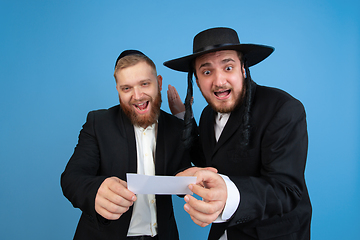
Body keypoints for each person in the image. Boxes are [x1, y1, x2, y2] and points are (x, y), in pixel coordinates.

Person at [164, 27, 312, 240]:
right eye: (207, 72)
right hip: (225, 233)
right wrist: (181, 117)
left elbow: (286, 190)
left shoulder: (282, 109)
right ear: (196, 80)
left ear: (243, 69)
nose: (219, 81)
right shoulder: (207, 115)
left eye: (228, 67)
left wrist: (229, 195)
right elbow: (207, 157)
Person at [61, 50, 192, 240]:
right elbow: (71, 178)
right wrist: (95, 190)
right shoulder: (98, 123)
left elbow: (183, 173)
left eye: (145, 84)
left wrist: (183, 118)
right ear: (118, 90)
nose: (137, 96)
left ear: (159, 83)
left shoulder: (176, 127)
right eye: (127, 88)